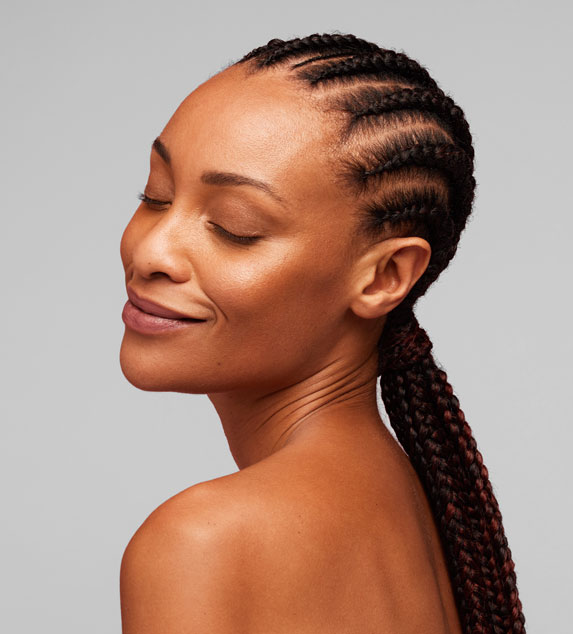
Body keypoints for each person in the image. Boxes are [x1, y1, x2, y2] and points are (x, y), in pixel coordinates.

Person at [118, 32, 526, 634]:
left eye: (235, 227)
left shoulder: (204, 542)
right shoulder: (421, 508)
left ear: (386, 276)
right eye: (155, 195)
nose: (151, 250)